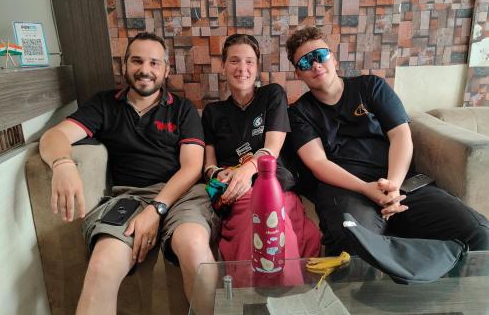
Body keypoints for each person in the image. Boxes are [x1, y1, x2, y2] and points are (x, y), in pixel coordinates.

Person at [39, 32, 219, 314]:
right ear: (124, 65)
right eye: (137, 60)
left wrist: (156, 209)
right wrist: (63, 164)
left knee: (195, 247)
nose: (145, 70)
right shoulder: (104, 104)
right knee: (102, 265)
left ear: (166, 70)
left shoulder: (182, 110)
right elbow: (54, 136)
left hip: (182, 195)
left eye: (154, 63)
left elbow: (192, 168)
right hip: (129, 198)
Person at [286, 26, 489, 257]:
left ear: (332, 57)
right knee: (357, 246)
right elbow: (317, 163)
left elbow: (401, 135)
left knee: (479, 233)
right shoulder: (299, 112)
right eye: (305, 62)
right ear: (298, 74)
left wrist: (392, 186)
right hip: (347, 191)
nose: (315, 65)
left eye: (320, 55)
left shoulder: (371, 86)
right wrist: (366, 188)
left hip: (400, 182)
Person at [201, 33, 321, 265]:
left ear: (257, 67)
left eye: (249, 61)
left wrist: (245, 171)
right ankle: (257, 294)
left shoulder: (272, 95)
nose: (242, 68)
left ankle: (285, 293)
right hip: (237, 193)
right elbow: (208, 164)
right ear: (223, 65)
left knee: (277, 226)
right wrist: (217, 174)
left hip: (276, 185)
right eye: (234, 61)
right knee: (258, 231)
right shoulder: (212, 112)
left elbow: (272, 149)